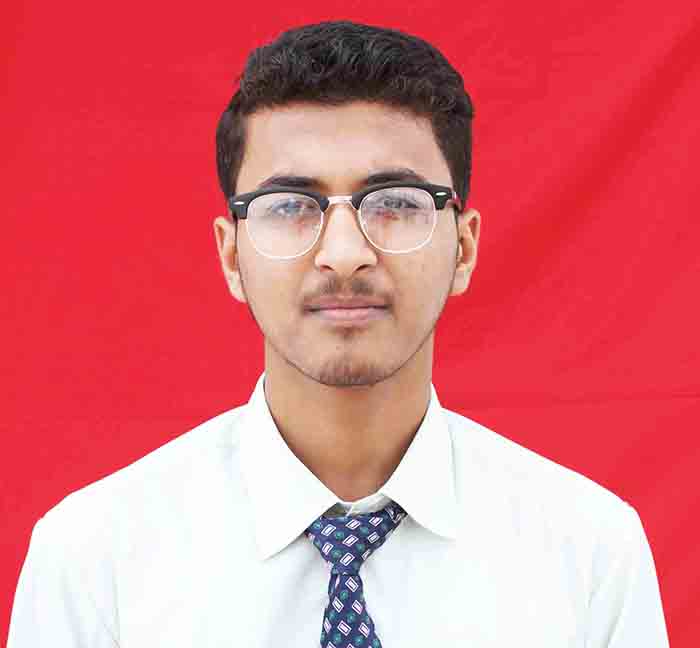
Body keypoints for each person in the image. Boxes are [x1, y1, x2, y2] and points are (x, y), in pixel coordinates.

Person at [7, 20, 669, 648]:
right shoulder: (94, 562)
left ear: (464, 248)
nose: (345, 254)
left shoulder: (590, 553)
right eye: (291, 206)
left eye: (397, 203)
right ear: (232, 255)